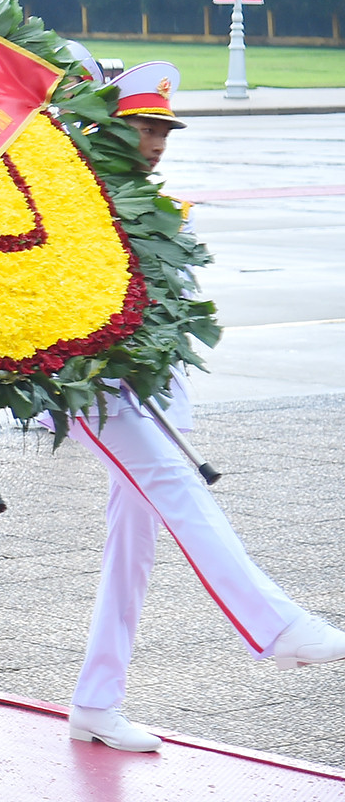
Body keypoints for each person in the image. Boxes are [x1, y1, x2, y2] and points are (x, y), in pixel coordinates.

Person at [62, 61, 345, 753]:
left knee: (132, 548)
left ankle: (97, 700)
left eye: (163, 128)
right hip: (88, 386)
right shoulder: (76, 192)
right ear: (105, 124)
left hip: (149, 392)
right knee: (175, 486)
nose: (157, 140)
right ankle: (272, 623)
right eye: (143, 126)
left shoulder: (144, 198)